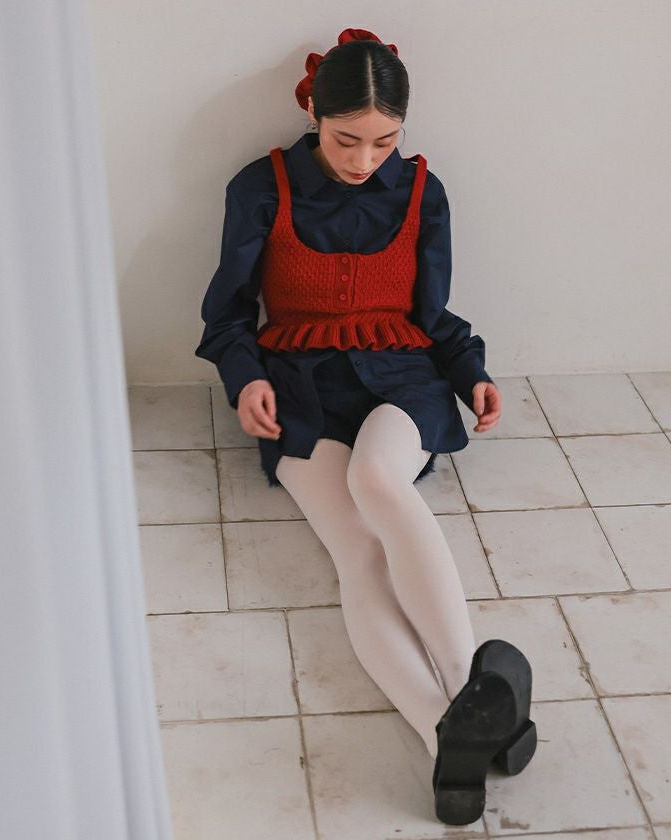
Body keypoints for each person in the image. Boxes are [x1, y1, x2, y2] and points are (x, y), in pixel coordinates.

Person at [194, 27, 537, 825]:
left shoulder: (422, 192)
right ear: (313, 114)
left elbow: (434, 315)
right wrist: (246, 380)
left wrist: (471, 374)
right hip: (296, 385)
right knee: (355, 548)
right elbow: (227, 317)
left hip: (400, 376)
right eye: (347, 139)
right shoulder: (261, 188)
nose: (364, 159)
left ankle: (468, 682)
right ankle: (451, 732)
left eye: (385, 141)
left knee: (376, 478)